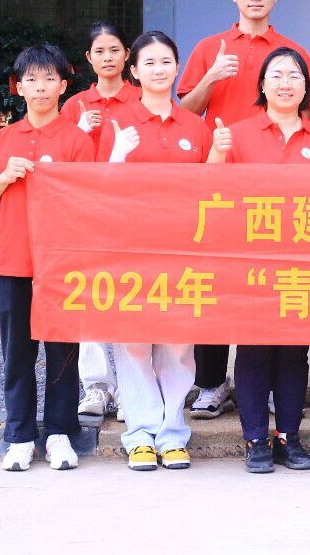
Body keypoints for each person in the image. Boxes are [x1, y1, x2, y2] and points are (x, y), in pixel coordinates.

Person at [179, 0, 310, 421]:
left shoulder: (293, 51)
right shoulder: (210, 48)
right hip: (223, 178)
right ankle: (211, 382)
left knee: (276, 285)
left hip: (280, 187)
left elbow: (308, 119)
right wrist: (211, 77)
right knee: (219, 280)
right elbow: (186, 112)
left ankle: (272, 386)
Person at [0, 44, 96, 473]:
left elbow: (89, 200)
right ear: (19, 87)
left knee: (64, 353)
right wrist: (6, 176)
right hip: (11, 262)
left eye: (49, 79)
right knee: (17, 354)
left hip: (62, 264)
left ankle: (60, 433)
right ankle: (20, 436)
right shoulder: (0, 141)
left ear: (63, 86)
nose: (40, 87)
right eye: (31, 80)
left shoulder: (78, 141)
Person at [207, 46, 310, 474]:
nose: (285, 83)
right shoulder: (237, 133)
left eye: (294, 76)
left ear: (306, 87)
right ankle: (255, 439)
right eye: (276, 75)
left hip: (302, 262)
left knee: (294, 353)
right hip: (251, 262)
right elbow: (208, 191)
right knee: (255, 350)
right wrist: (218, 152)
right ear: (262, 85)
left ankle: (289, 437)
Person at [100, 30, 213, 472]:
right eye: (149, 62)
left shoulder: (195, 126)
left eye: (166, 61)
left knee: (178, 346)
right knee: (134, 344)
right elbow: (96, 191)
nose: (159, 69)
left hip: (182, 251)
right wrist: (116, 157)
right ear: (134, 70)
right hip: (131, 250)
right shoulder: (117, 122)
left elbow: (212, 191)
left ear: (177, 67)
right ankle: (140, 434)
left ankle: (172, 433)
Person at [60, 21, 137, 421]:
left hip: (129, 213)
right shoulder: (74, 105)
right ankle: (96, 386)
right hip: (85, 215)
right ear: (89, 58)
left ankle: (130, 387)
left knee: (127, 295)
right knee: (88, 296)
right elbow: (59, 161)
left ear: (127, 56)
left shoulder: (141, 100)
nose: (108, 58)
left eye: (115, 50)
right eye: (100, 51)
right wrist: (77, 132)